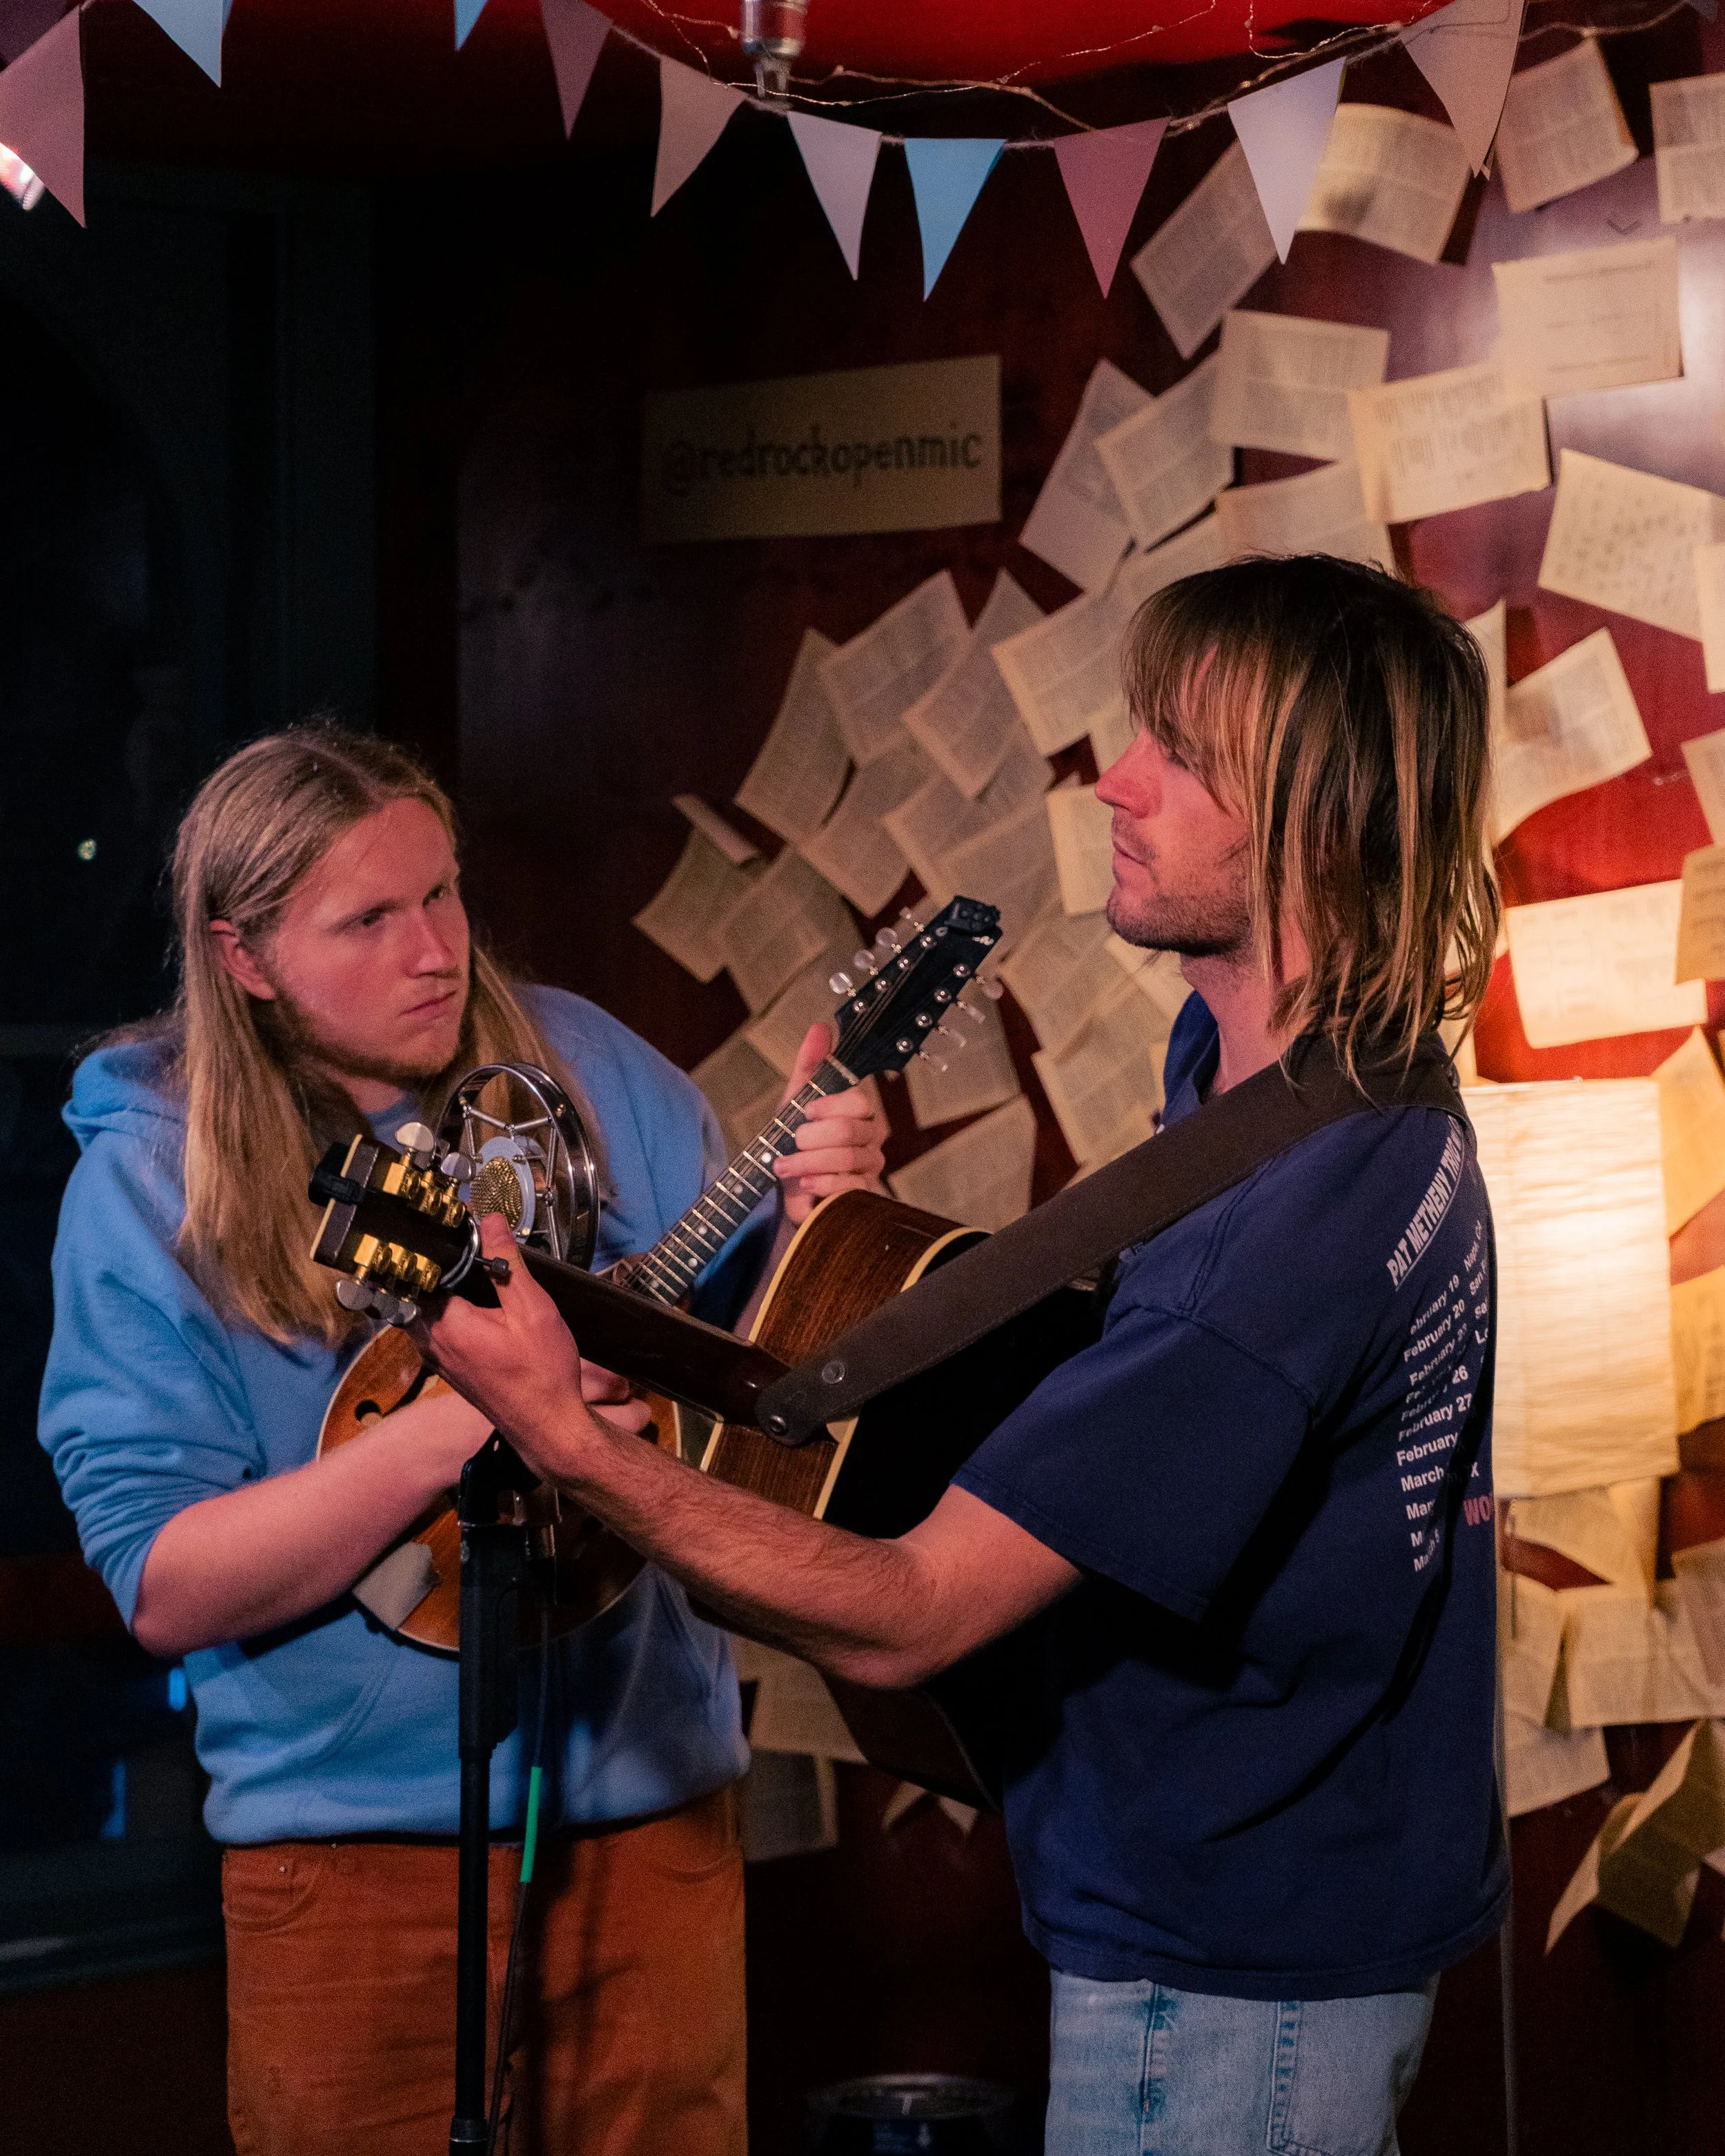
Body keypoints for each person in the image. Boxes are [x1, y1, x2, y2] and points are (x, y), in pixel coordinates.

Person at [421, 555, 1510, 2156]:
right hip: (1275, 1920)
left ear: (1317, 827)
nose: (1115, 783)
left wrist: (575, 1442)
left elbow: (906, 1617)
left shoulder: (1279, 1232)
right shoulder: (1300, 1076)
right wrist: (850, 1231)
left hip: (1226, 1980)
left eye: (1181, 757)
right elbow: (1152, 1417)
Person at [38, 725, 886, 2156]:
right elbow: (165, 1583)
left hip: (651, 1823)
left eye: (440, 895)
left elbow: (763, 1388)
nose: (433, 949)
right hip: (345, 1859)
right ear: (242, 956)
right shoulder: (148, 1180)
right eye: (366, 918)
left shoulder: (588, 1069)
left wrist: (824, 1217)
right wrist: (462, 1426)